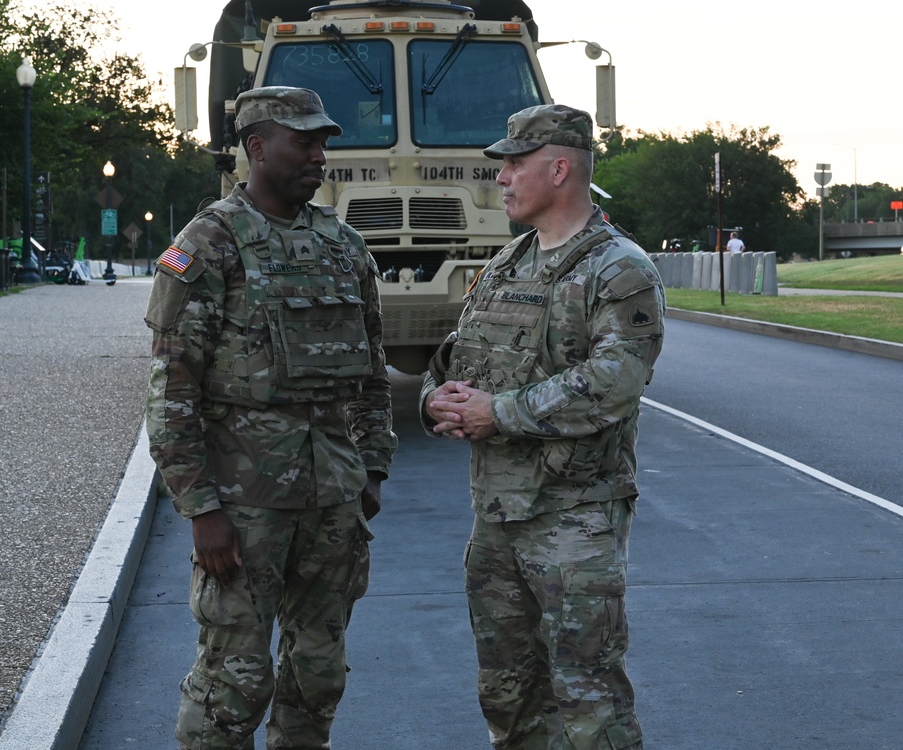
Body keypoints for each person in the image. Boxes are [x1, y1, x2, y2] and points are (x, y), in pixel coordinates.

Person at [144, 86, 397, 750]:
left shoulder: (343, 246)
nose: (319, 154)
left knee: (318, 674)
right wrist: (200, 507)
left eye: (322, 142)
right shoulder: (210, 243)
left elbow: (373, 375)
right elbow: (172, 388)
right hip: (243, 505)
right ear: (257, 147)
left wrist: (371, 470)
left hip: (331, 502)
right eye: (303, 141)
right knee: (236, 678)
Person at [420, 104, 665, 750]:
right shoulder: (506, 266)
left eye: (513, 164)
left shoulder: (619, 270)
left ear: (559, 169)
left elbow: (614, 381)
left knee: (590, 702)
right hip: (496, 519)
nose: (500, 178)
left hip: (574, 523)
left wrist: (496, 412)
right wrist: (433, 400)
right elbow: (457, 354)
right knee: (509, 697)